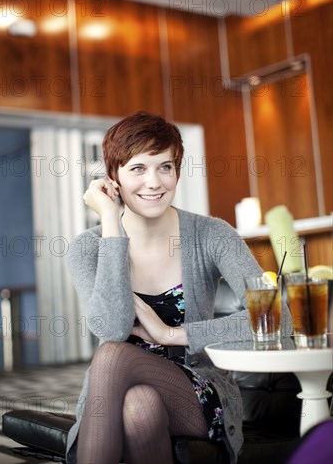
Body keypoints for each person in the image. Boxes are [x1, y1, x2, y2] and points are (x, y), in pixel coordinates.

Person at [65, 111, 287, 464]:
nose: (154, 182)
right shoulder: (87, 247)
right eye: (138, 168)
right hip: (120, 393)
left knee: (111, 354)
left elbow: (277, 320)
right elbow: (111, 327)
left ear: (177, 171)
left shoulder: (213, 234)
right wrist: (110, 222)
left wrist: (170, 334)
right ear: (112, 178)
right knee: (140, 406)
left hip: (197, 392)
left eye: (165, 167)